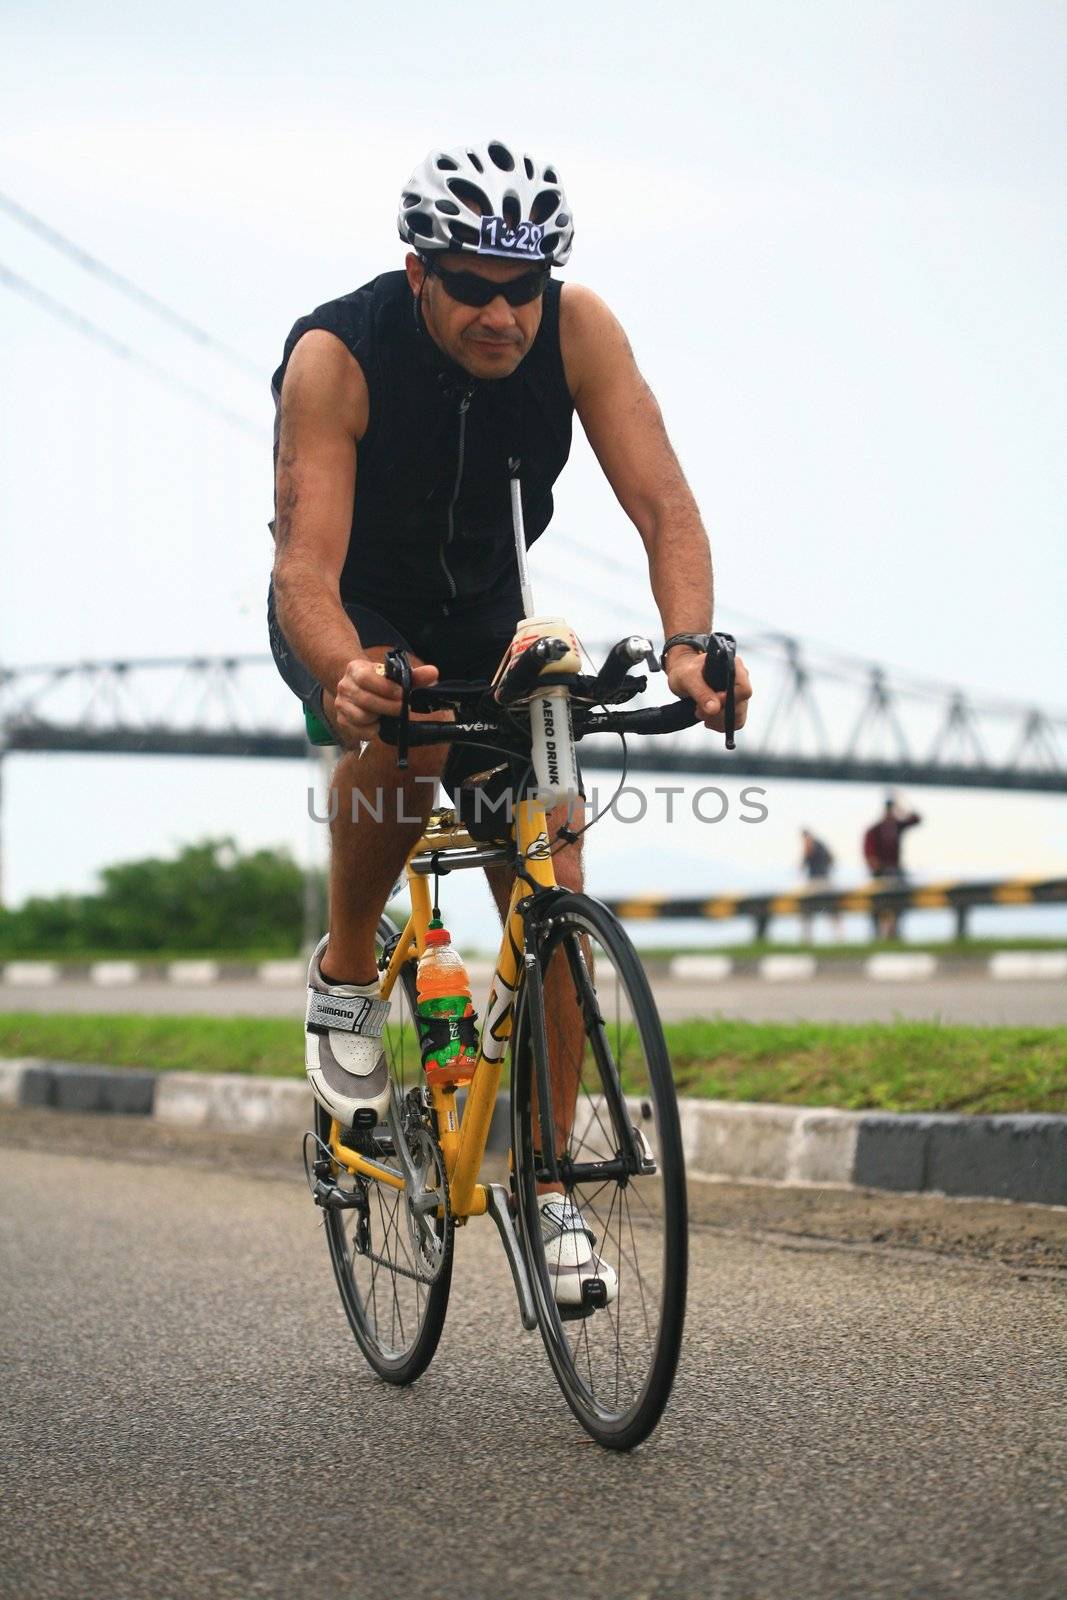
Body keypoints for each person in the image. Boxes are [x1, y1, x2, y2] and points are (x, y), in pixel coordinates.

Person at [268, 138, 752, 1303]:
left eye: (521, 288)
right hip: (352, 609)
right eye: (473, 286)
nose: (501, 314)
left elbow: (664, 504)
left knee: (554, 888)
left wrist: (689, 642)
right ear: (418, 270)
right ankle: (344, 973)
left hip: (492, 615)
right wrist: (345, 669)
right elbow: (303, 571)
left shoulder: (579, 330)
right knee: (411, 728)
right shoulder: (338, 355)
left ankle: (545, 1188)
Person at [863, 797, 922, 938]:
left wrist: (901, 806)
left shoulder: (896, 827)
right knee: (879, 906)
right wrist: (875, 866)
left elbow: (917, 819)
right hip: (881, 874)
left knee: (898, 904)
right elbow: (869, 852)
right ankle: (879, 934)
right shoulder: (876, 829)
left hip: (895, 872)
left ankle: (893, 933)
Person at [799, 828, 838, 943]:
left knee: (807, 908)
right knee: (831, 909)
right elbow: (832, 859)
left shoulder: (810, 843)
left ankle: (807, 938)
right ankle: (839, 937)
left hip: (816, 881)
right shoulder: (822, 844)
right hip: (826, 879)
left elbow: (803, 862)